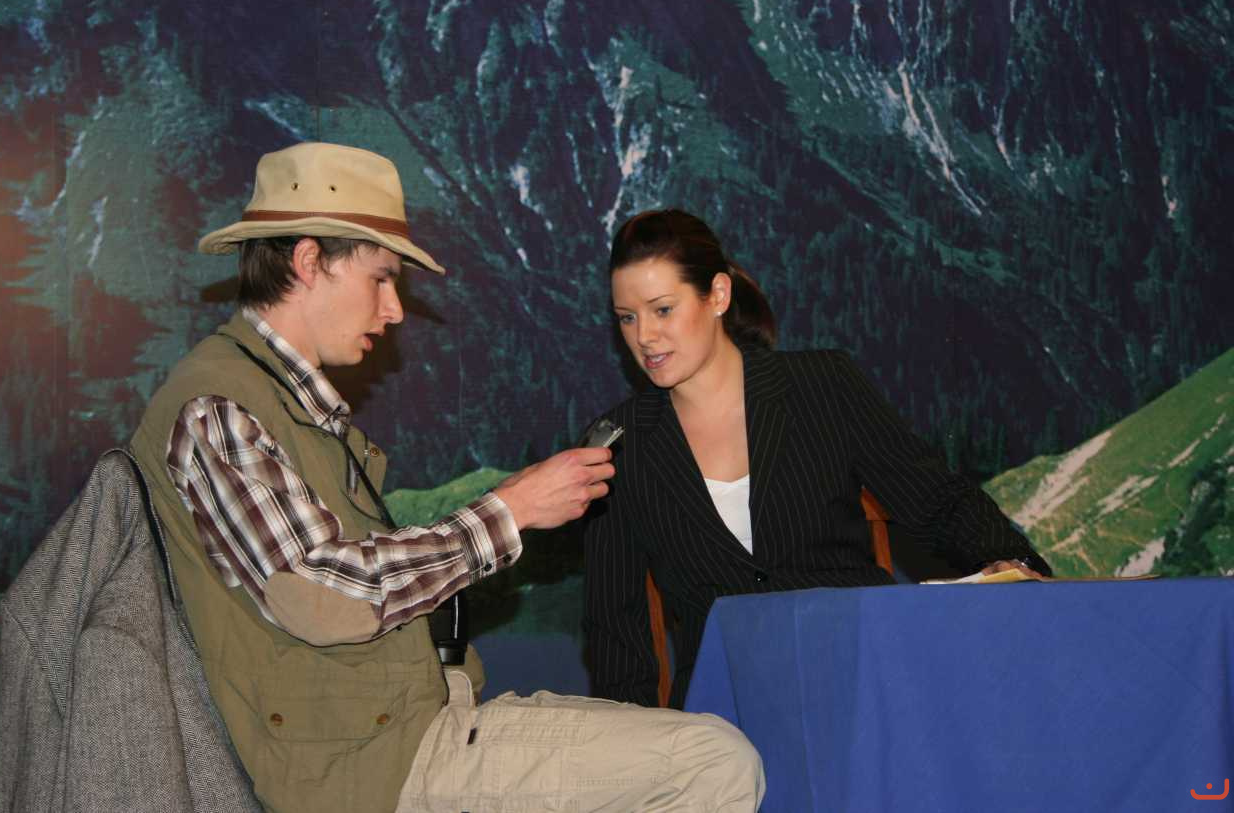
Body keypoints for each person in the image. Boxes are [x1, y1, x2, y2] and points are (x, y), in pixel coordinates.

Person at [130, 145, 764, 812]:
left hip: (405, 732)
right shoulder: (219, 409)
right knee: (712, 762)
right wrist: (509, 511)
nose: (395, 309)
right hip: (374, 765)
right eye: (381, 278)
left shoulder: (279, 404)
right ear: (310, 261)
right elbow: (321, 594)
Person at [583, 208, 1052, 709]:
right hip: (728, 711)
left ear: (717, 295)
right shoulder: (616, 445)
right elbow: (615, 628)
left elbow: (936, 500)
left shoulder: (822, 384)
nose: (644, 336)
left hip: (865, 675)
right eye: (627, 318)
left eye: (662, 310)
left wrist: (1015, 563)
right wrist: (637, 739)